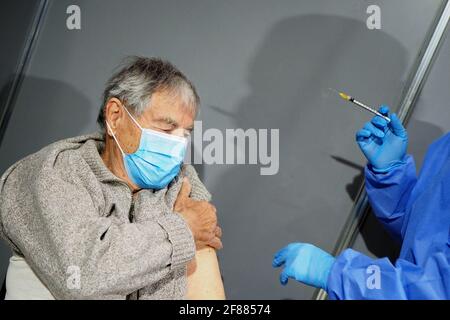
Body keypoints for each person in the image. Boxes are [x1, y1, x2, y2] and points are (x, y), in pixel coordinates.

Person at [0, 56, 225, 299]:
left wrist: (192, 231)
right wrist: (183, 230)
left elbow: (206, 287)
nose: (178, 145)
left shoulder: (181, 182)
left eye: (184, 134)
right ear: (116, 116)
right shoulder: (56, 173)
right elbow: (85, 274)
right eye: (166, 130)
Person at [273, 106, 450, 299]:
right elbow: (424, 238)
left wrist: (338, 275)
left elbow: (435, 292)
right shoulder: (444, 147)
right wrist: (390, 176)